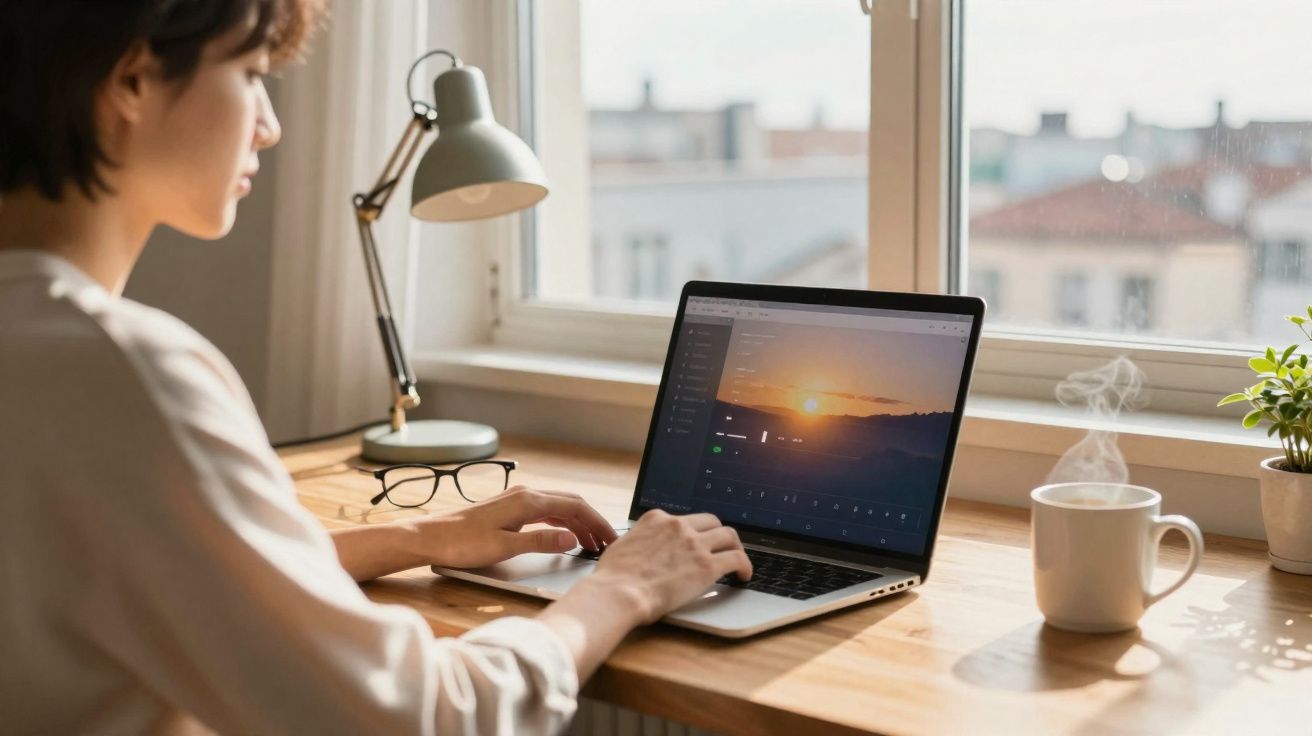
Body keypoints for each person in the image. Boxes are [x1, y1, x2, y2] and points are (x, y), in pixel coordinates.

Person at [0, 2, 753, 734]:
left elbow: (131, 565)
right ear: (132, 79)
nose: (270, 124)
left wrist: (420, 537)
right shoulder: (123, 373)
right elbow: (422, 719)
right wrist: (624, 588)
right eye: (254, 72)